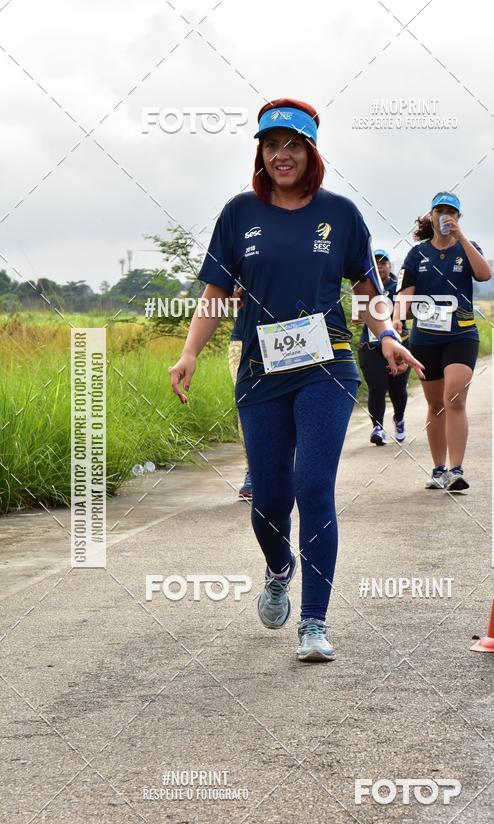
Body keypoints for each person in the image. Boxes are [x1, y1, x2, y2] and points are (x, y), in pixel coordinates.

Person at [169, 97, 424, 663]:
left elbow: (367, 294)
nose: (282, 155)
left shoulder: (341, 214)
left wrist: (385, 335)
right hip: (261, 374)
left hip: (327, 367)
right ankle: (279, 567)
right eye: (271, 145)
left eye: (293, 146)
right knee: (268, 501)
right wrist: (189, 353)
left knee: (313, 487)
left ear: (312, 153)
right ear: (260, 153)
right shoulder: (239, 214)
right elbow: (214, 295)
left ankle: (314, 622)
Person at [396, 191, 492, 492]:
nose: (444, 216)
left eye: (451, 212)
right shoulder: (417, 254)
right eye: (439, 210)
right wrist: (398, 318)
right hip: (424, 337)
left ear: (458, 217)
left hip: (461, 334)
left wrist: (462, 238)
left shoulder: (468, 248)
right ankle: (438, 469)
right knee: (436, 403)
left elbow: (485, 274)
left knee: (455, 397)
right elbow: (405, 293)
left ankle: (457, 469)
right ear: (431, 215)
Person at [357, 249, 409, 446]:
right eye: (376, 262)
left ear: (389, 265)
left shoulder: (399, 287)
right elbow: (358, 315)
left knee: (397, 388)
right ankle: (377, 427)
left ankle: (399, 418)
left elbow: (409, 310)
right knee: (377, 387)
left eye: (383, 262)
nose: (379, 265)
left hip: (399, 342)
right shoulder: (366, 286)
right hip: (370, 344)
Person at [227, 288, 252, 499]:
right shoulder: (238, 254)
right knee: (246, 403)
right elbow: (214, 295)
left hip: (297, 334)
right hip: (244, 341)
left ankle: (285, 466)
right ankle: (254, 471)